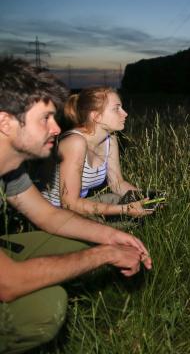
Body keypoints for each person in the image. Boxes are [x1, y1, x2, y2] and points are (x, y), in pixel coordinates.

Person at [0, 57, 152, 353]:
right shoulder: (74, 142)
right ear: (6, 122)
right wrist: (105, 254)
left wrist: (111, 236)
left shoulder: (11, 170)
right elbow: (8, 282)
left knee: (88, 237)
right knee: (46, 307)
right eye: (45, 118)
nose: (57, 128)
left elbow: (48, 216)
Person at [42, 86, 152, 220]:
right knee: (117, 217)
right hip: (51, 213)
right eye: (116, 109)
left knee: (120, 199)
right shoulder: (75, 142)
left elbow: (117, 184)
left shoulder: (110, 139)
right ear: (96, 116)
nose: (125, 113)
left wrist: (147, 199)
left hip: (75, 208)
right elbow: (69, 204)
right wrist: (124, 209)